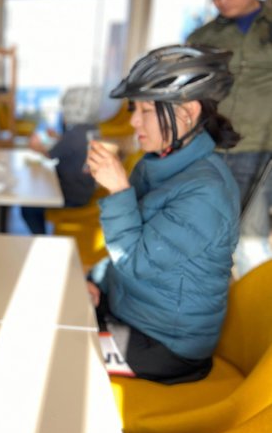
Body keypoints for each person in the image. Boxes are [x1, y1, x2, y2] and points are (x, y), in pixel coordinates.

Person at [86, 45, 240, 384]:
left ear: (188, 111)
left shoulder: (206, 193)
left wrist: (118, 191)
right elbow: (129, 242)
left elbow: (137, 261)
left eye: (146, 110)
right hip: (131, 312)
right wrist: (95, 282)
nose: (133, 121)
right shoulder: (156, 163)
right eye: (133, 109)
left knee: (63, 349)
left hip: (166, 347)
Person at [188, 0, 272, 275]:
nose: (221, 0)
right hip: (209, 149)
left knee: (250, 239)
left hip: (259, 150)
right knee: (202, 233)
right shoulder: (202, 36)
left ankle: (257, 313)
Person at [20, 87, 98, 234]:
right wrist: (58, 137)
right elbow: (74, 146)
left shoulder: (73, 133)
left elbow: (50, 155)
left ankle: (40, 239)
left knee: (28, 208)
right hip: (86, 190)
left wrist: (35, 146)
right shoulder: (91, 129)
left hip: (71, 195)